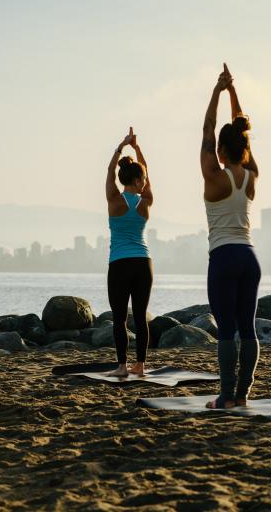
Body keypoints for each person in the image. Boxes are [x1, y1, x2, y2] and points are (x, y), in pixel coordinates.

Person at [200, 63, 261, 409]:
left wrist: (217, 91)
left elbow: (208, 129)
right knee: (247, 327)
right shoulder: (251, 175)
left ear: (221, 151)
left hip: (223, 257)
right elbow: (243, 134)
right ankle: (242, 396)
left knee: (226, 329)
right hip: (249, 258)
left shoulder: (214, 176)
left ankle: (225, 397)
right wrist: (233, 92)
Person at [105, 127, 154, 377]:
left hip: (120, 264)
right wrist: (137, 149)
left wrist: (121, 147)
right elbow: (146, 171)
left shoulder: (114, 200)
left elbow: (109, 174)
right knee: (140, 317)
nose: (145, 182)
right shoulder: (146, 201)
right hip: (143, 264)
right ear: (137, 181)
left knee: (120, 317)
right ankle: (141, 366)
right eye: (143, 179)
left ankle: (123, 366)